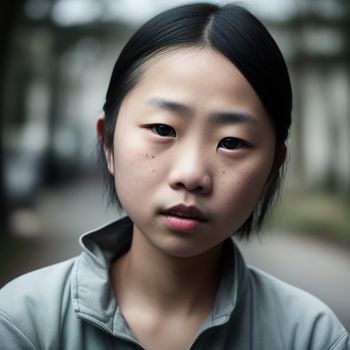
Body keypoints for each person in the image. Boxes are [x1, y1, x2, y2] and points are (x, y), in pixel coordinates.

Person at [0, 2, 349, 349]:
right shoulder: (24, 323)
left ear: (272, 167)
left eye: (231, 142)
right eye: (163, 129)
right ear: (108, 142)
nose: (191, 174)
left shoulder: (311, 337)